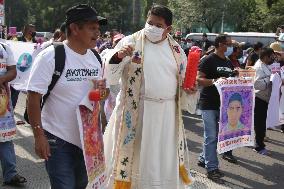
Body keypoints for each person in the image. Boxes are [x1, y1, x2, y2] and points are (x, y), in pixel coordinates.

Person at [103, 4, 194, 189]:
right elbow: (110, 75)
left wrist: (190, 89)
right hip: (137, 110)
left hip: (166, 114)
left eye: (158, 25)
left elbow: (183, 83)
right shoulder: (131, 41)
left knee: (160, 156)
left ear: (168, 28)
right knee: (136, 155)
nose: (151, 27)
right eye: (149, 22)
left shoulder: (177, 51)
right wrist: (119, 56)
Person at [26, 4, 108, 189]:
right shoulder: (51, 56)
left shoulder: (96, 58)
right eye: (92, 28)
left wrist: (102, 95)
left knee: (82, 186)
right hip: (57, 140)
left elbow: (101, 94)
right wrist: (39, 136)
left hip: (87, 142)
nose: (98, 33)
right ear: (74, 28)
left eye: (98, 28)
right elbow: (33, 97)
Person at [196, 34, 238, 183]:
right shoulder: (208, 60)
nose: (231, 47)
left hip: (224, 105)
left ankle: (203, 158)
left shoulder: (228, 62)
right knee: (211, 136)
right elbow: (198, 79)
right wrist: (214, 81)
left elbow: (230, 79)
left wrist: (236, 77)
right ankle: (212, 168)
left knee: (215, 136)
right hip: (208, 104)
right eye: (229, 44)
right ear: (220, 44)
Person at [0, 42, 27, 186]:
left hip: (2, 103)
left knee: (5, 138)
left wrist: (2, 79)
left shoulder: (4, 48)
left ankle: (10, 174)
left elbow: (12, 71)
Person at [253, 48, 275, 155]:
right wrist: (271, 78)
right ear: (266, 57)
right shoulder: (258, 67)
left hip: (266, 98)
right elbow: (257, 84)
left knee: (261, 123)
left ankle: (258, 143)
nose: (273, 58)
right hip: (259, 98)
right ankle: (259, 147)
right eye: (271, 56)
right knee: (259, 124)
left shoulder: (268, 64)